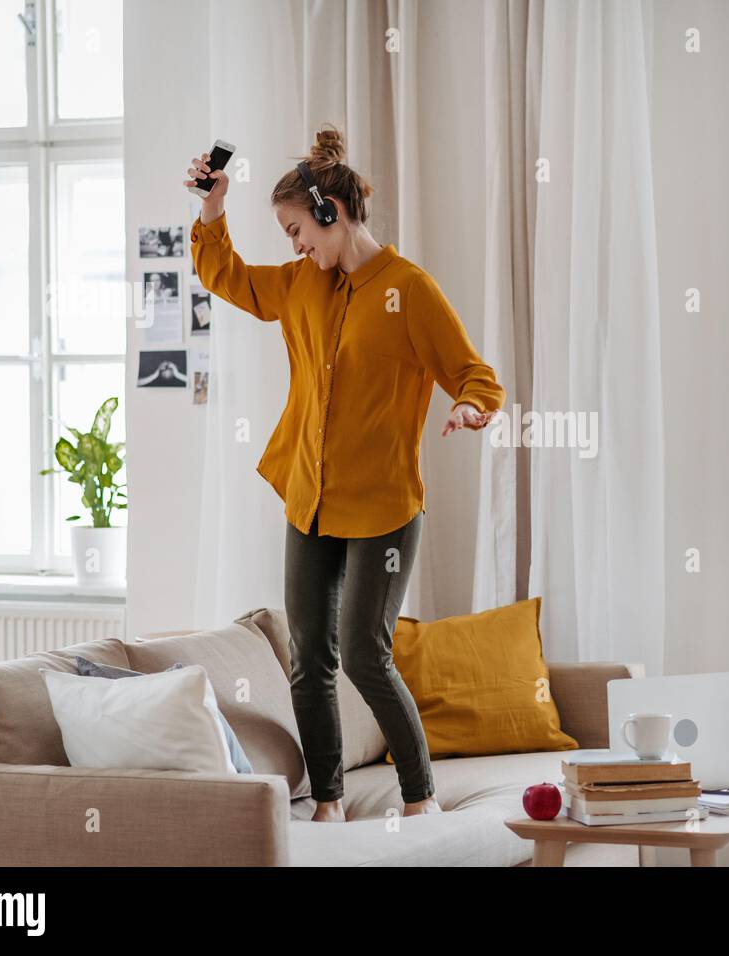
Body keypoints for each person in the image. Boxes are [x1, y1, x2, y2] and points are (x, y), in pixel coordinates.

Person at [185, 124, 505, 823]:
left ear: (332, 213)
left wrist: (474, 410)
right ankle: (328, 801)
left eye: (299, 229)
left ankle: (421, 797)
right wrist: (214, 208)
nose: (296, 245)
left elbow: (473, 374)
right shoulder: (301, 285)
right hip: (310, 498)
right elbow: (226, 276)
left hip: (386, 505)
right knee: (309, 659)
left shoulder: (409, 290)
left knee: (363, 652)